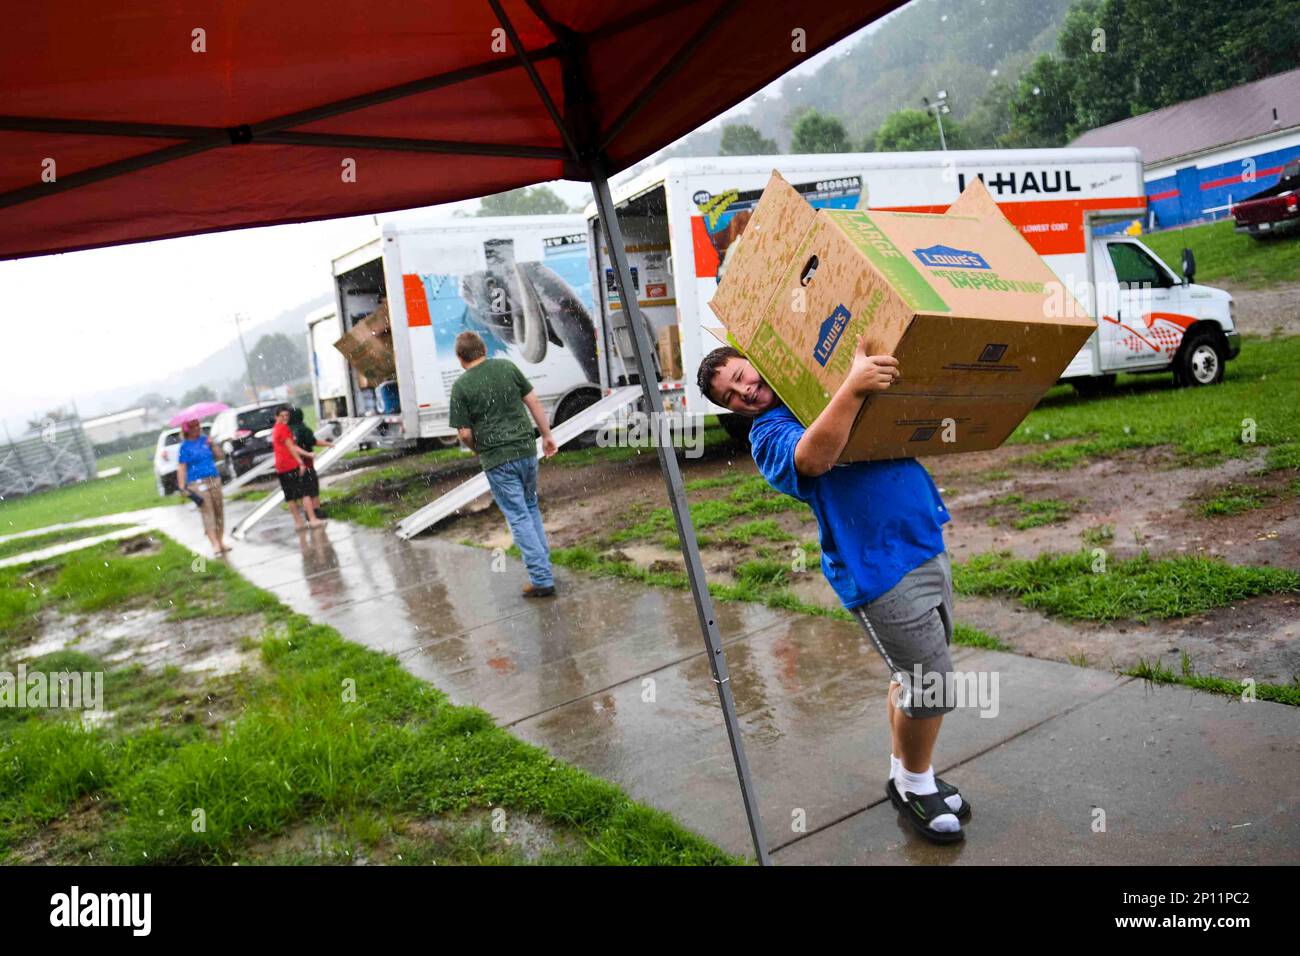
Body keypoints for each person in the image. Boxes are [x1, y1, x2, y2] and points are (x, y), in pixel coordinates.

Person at [697, 337, 968, 845]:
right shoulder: (770, 433)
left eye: (742, 374)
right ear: (732, 411)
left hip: (922, 541)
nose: (746, 391)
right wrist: (853, 385)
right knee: (934, 686)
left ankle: (904, 772)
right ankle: (916, 783)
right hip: (875, 569)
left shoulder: (814, 389)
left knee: (912, 677)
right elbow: (813, 458)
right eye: (732, 396)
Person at [448, 331, 558, 598]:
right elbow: (532, 401)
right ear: (483, 349)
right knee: (530, 508)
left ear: (460, 358)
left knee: (519, 516)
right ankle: (544, 569)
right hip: (525, 451)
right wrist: (546, 435)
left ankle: (542, 579)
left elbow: (464, 434)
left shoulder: (461, 387)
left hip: (498, 460)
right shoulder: (507, 367)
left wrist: (480, 450)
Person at [175, 419, 230, 556]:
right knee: (207, 512)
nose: (196, 428)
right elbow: (181, 467)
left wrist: (213, 445)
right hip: (197, 483)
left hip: (213, 478)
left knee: (219, 510)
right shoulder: (185, 447)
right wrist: (182, 486)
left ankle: (221, 540)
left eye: (197, 426)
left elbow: (220, 456)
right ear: (187, 429)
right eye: (193, 427)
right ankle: (215, 544)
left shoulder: (206, 440)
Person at [271, 404, 323, 530]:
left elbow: (289, 446)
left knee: (290, 497)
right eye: (282, 416)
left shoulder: (275, 429)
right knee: (304, 493)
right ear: (276, 416)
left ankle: (299, 523)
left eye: (287, 415)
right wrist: (301, 461)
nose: (285, 418)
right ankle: (313, 519)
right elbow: (292, 447)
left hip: (281, 467)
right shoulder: (283, 429)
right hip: (290, 465)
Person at [289, 406, 333, 518]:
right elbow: (313, 441)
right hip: (307, 464)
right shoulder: (303, 429)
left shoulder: (288, 430)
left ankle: (307, 512)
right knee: (312, 488)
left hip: (294, 465)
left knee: (303, 490)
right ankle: (316, 510)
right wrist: (328, 444)